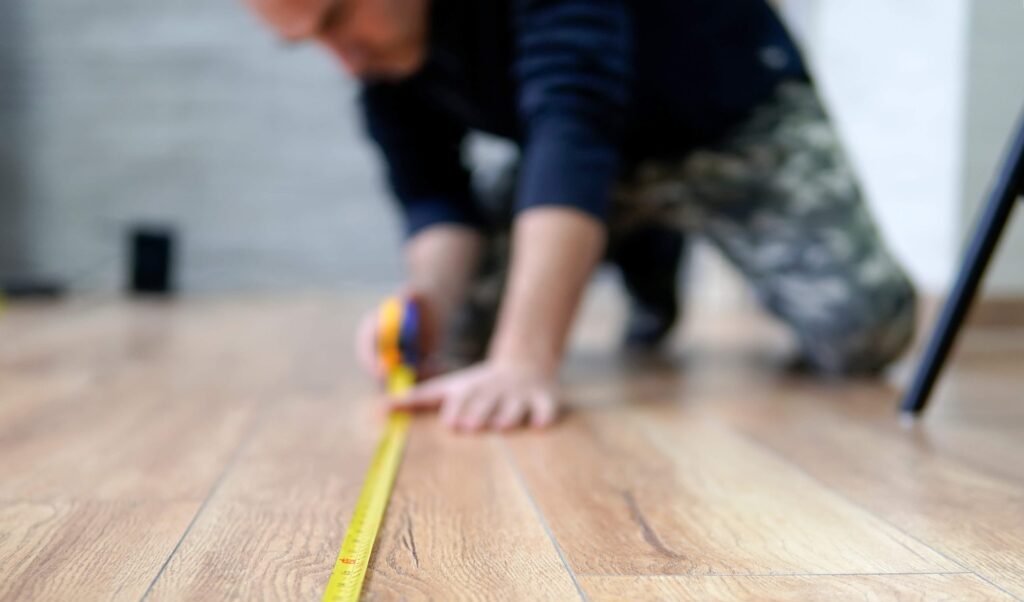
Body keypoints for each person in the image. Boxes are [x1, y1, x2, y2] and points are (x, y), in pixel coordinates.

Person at [244, 0, 918, 432]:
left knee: (863, 337)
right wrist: (427, 304)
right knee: (455, 347)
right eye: (307, 41)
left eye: (337, 18)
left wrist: (525, 361)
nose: (341, 56)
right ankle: (642, 248)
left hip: (731, 125)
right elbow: (435, 200)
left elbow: (575, 121)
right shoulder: (381, 65)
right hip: (581, 166)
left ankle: (647, 239)